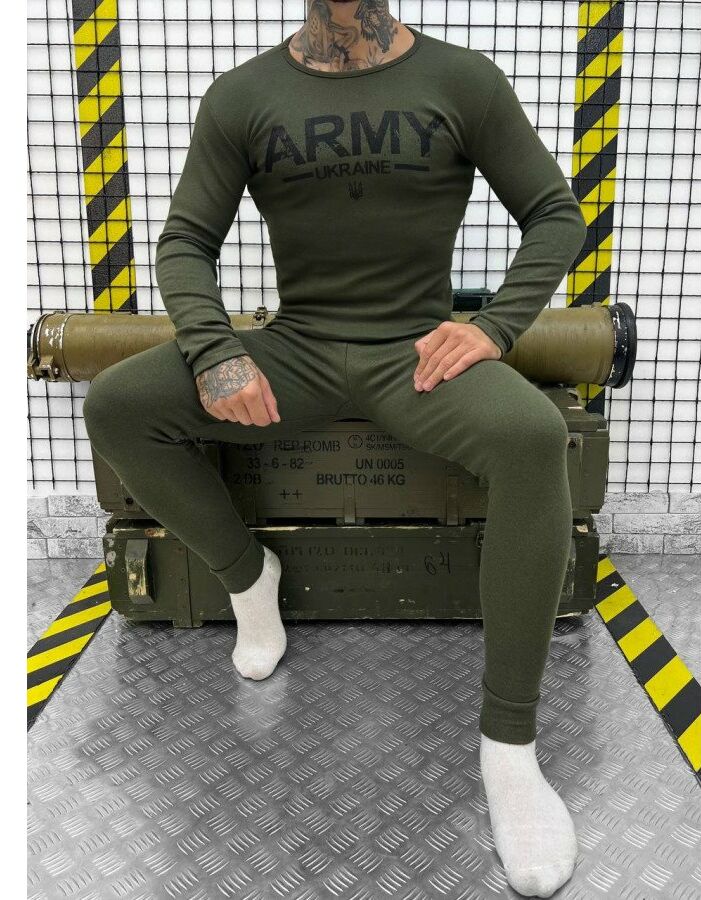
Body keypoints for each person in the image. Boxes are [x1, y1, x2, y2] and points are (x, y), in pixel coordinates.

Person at [83, 2, 587, 896]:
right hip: (299, 348)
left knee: (532, 436)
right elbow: (186, 241)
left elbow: (554, 213)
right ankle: (250, 580)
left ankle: (509, 749)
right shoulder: (242, 95)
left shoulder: (461, 79)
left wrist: (494, 327)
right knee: (119, 406)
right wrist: (214, 348)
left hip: (414, 354)